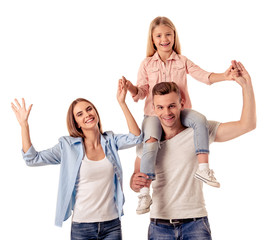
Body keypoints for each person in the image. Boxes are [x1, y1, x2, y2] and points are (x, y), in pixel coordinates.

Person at [123, 16, 239, 214]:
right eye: (159, 35)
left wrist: (225, 76)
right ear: (152, 39)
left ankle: (203, 169)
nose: (164, 39)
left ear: (174, 36)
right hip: (154, 114)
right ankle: (144, 193)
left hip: (180, 112)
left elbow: (204, 76)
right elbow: (141, 91)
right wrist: (130, 88)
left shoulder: (182, 61)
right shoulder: (147, 64)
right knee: (151, 142)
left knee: (200, 120)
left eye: (168, 34)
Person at [130, 61, 256, 239]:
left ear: (182, 103)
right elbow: (136, 180)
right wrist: (134, 183)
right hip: (159, 225)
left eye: (172, 105)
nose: (167, 112)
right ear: (154, 109)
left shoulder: (199, 131)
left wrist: (246, 85)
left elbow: (247, 125)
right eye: (160, 107)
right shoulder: (147, 141)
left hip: (195, 223)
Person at [11, 79, 143, 240]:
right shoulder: (67, 147)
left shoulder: (110, 141)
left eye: (89, 109)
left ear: (96, 112)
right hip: (82, 226)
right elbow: (32, 158)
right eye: (80, 114)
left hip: (112, 224)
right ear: (77, 123)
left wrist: (122, 103)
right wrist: (24, 125)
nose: (87, 115)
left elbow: (136, 137)